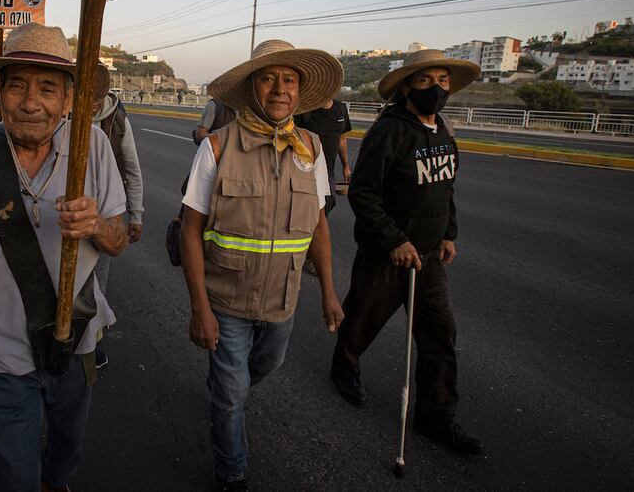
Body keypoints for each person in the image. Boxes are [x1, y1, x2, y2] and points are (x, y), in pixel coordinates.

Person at [0, 23, 128, 492]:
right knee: (16, 474)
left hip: (75, 340)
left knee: (66, 451)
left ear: (69, 99)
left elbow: (119, 239)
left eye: (47, 88)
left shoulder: (92, 146)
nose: (31, 102)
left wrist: (96, 225)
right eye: (17, 85)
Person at [179, 39, 345, 491]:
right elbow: (190, 229)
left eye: (288, 79)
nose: (279, 88)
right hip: (226, 296)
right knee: (233, 393)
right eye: (268, 78)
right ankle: (232, 469)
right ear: (252, 88)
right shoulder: (216, 147)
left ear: (299, 91)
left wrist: (329, 291)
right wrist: (200, 308)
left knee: (265, 365)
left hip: (282, 298)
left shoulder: (310, 147)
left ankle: (225, 392)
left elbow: (317, 225)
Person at [330, 49, 484, 455]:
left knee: (439, 337)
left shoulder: (443, 129)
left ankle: (436, 416)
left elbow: (444, 187)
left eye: (443, 80)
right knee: (362, 321)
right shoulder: (391, 131)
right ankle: (344, 368)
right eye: (425, 80)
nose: (436, 88)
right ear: (406, 89)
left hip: (429, 257)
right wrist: (395, 240)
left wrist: (448, 233)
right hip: (387, 255)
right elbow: (362, 193)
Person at [91, 64, 144, 369]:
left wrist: (136, 215)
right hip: (65, 211)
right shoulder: (62, 114)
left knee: (98, 283)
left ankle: (91, 339)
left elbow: (133, 169)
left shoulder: (117, 120)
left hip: (107, 215)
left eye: (97, 101)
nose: (92, 106)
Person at [295, 98, 353, 216]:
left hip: (329, 171)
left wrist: (345, 166)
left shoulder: (341, 108)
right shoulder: (306, 110)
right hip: (307, 170)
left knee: (328, 203)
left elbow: (342, 139)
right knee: (309, 209)